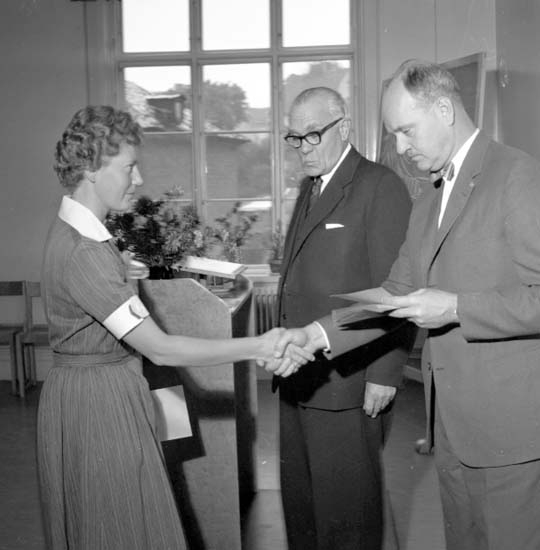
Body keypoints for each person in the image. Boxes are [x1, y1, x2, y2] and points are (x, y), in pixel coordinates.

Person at [277, 60, 540, 550]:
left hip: (509, 432)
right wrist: (315, 335)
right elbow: (392, 293)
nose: (399, 148)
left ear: (444, 110)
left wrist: (457, 307)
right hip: (452, 429)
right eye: (393, 134)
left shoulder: (516, 175)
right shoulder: (429, 199)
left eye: (406, 131)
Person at [37, 105, 312, 550]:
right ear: (91, 168)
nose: (139, 178)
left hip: (91, 390)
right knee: (120, 525)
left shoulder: (80, 237)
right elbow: (161, 349)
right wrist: (258, 345)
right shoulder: (85, 253)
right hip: (99, 401)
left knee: (110, 523)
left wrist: (118, 273)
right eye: (128, 166)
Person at [275, 87, 413, 550]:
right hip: (298, 374)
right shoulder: (310, 186)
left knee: (347, 515)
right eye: (294, 138)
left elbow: (395, 289)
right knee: (302, 508)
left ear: (345, 128)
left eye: (312, 135)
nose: (302, 148)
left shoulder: (379, 186)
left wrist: (385, 374)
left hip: (349, 379)